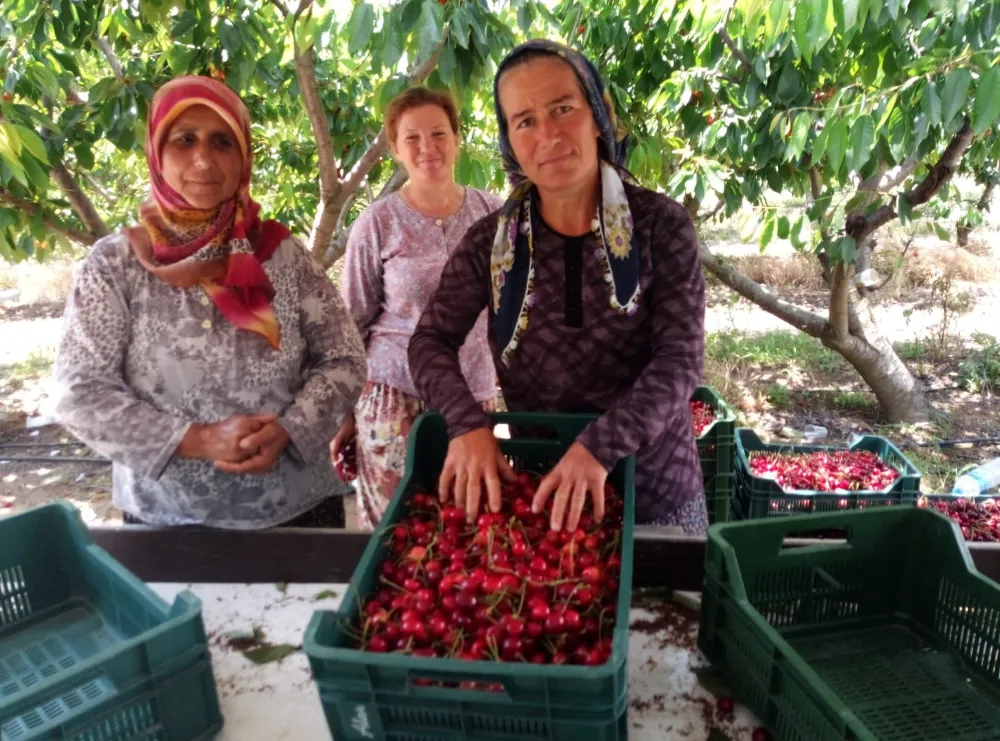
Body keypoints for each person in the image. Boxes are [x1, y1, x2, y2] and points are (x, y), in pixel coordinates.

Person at [408, 41, 708, 535]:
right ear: (509, 140)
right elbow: (429, 342)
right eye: (524, 120)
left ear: (596, 115)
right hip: (546, 493)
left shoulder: (660, 227)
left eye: (563, 108)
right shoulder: (491, 243)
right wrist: (467, 423)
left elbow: (680, 361)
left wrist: (599, 447)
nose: (548, 134)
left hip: (654, 492)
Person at [53, 76, 367, 529]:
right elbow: (78, 393)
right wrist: (198, 440)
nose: (203, 159)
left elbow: (344, 358)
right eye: (184, 140)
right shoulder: (114, 266)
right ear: (157, 153)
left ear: (243, 158)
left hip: (297, 507)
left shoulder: (283, 254)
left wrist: (290, 430)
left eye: (222, 141)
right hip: (166, 519)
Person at [332, 86, 503, 531]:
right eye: (412, 138)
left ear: (457, 138)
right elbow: (351, 324)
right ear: (395, 148)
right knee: (396, 532)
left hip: (473, 398)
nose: (428, 147)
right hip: (394, 397)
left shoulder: (493, 214)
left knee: (467, 531)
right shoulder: (377, 223)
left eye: (438, 133)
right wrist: (344, 412)